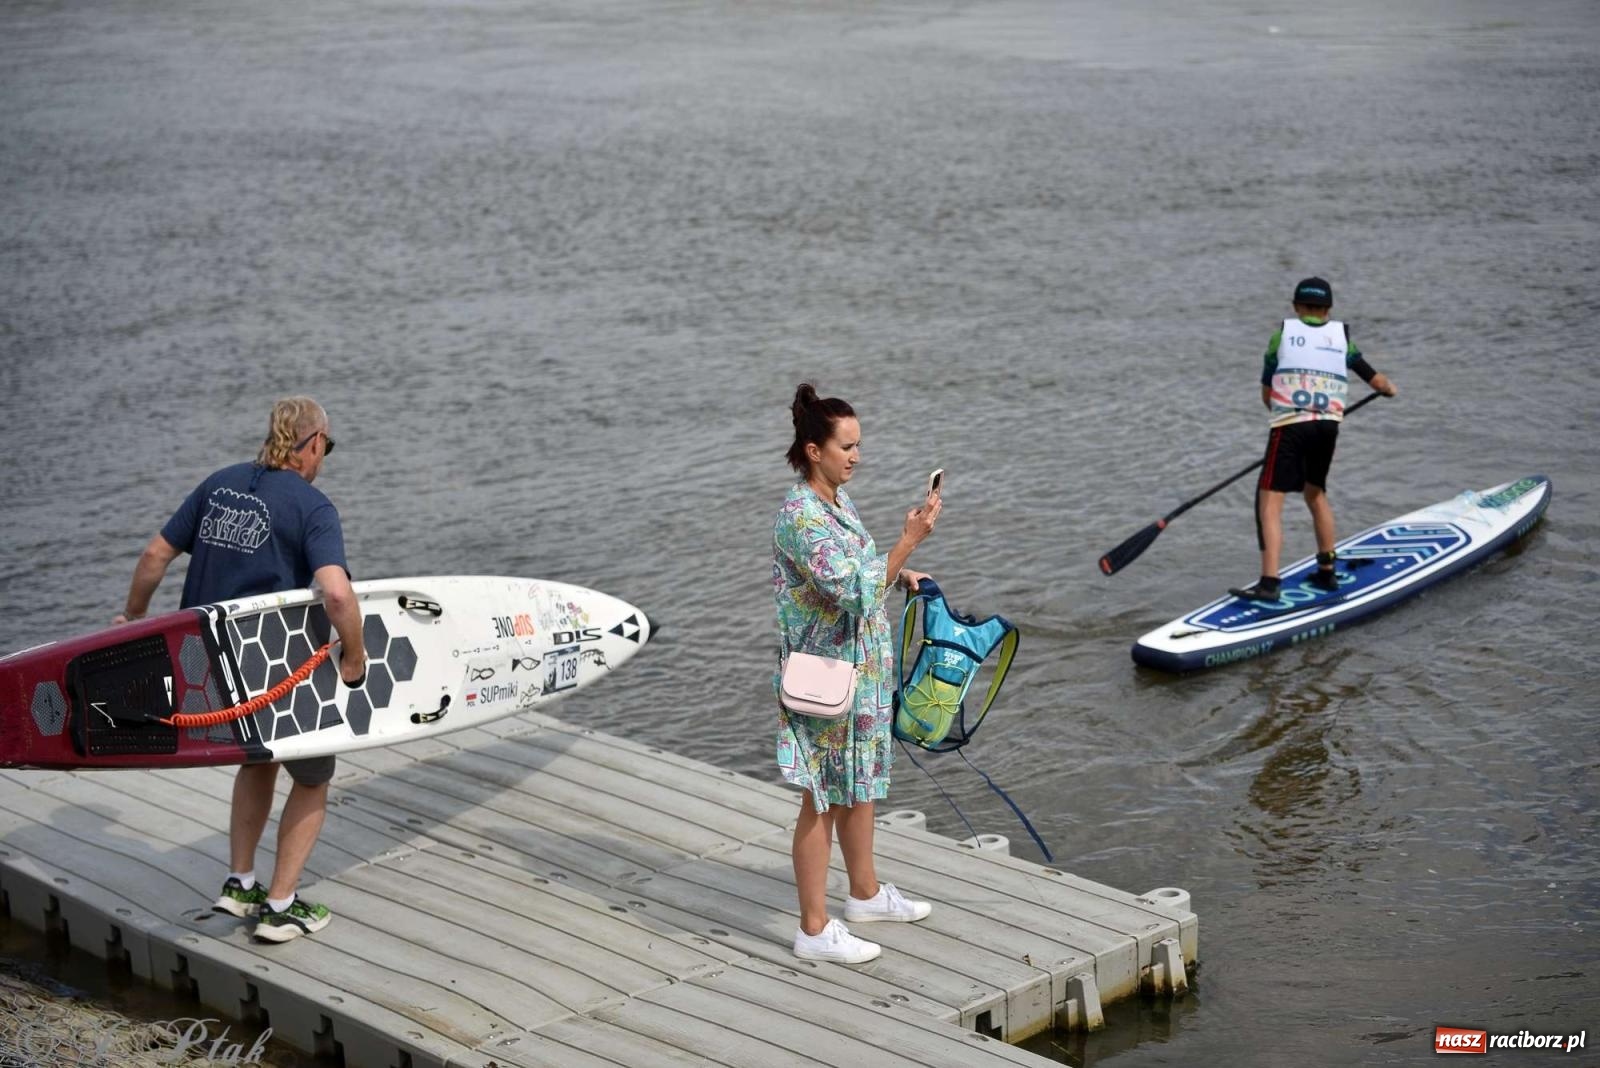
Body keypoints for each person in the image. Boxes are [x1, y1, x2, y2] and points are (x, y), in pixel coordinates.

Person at [113, 396, 366, 943]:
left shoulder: (218, 485)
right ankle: (279, 906)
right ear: (316, 442)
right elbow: (339, 595)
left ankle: (240, 882)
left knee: (259, 760)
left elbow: (156, 555)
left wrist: (132, 616)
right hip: (279, 670)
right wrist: (354, 655)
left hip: (211, 669)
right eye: (329, 445)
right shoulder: (312, 507)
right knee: (314, 777)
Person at [772, 382, 941, 964]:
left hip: (862, 672)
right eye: (846, 446)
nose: (856, 456)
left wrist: (903, 568)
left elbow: (866, 572)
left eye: (858, 445)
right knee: (823, 798)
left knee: (861, 783)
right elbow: (850, 589)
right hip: (825, 679)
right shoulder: (801, 517)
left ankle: (864, 895)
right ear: (814, 450)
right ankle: (814, 930)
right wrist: (906, 542)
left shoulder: (839, 502)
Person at [1231, 278, 1398, 601]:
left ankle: (1269, 583)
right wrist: (1390, 390)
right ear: (1328, 310)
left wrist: (1284, 416)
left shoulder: (1282, 335)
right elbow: (1377, 381)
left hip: (1290, 426)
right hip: (1327, 428)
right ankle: (1326, 572)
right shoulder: (1342, 339)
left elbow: (1268, 393)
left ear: (1295, 307)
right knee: (1315, 494)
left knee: (1270, 503)